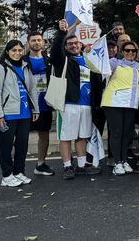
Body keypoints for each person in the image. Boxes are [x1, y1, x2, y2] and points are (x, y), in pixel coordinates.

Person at [51, 20, 104, 179]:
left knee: (82, 135)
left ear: (81, 45)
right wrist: (62, 33)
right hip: (69, 104)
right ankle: (67, 166)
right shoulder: (64, 60)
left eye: (76, 43)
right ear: (66, 47)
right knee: (66, 136)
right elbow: (55, 52)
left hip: (87, 106)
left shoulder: (89, 61)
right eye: (70, 44)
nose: (73, 46)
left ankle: (81, 165)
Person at [0, 40, 39, 187]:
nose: (17, 53)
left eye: (19, 50)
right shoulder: (1, 68)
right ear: (7, 52)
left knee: (22, 145)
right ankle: (6, 175)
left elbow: (32, 90)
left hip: (24, 113)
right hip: (7, 114)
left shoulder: (26, 67)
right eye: (14, 50)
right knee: (5, 146)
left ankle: (18, 172)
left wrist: (35, 109)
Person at [100, 39, 139, 176]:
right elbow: (99, 67)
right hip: (114, 102)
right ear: (122, 52)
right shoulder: (114, 62)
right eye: (127, 50)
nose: (130, 53)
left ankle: (124, 160)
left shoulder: (138, 66)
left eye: (133, 50)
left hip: (130, 104)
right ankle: (117, 162)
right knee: (117, 133)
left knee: (127, 134)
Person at [25, 32, 54, 176]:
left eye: (39, 40)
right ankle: (16, 167)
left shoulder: (48, 60)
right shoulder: (22, 60)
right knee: (19, 136)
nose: (37, 42)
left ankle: (41, 164)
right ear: (28, 42)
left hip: (44, 104)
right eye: (34, 40)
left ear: (43, 43)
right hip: (26, 105)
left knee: (44, 135)